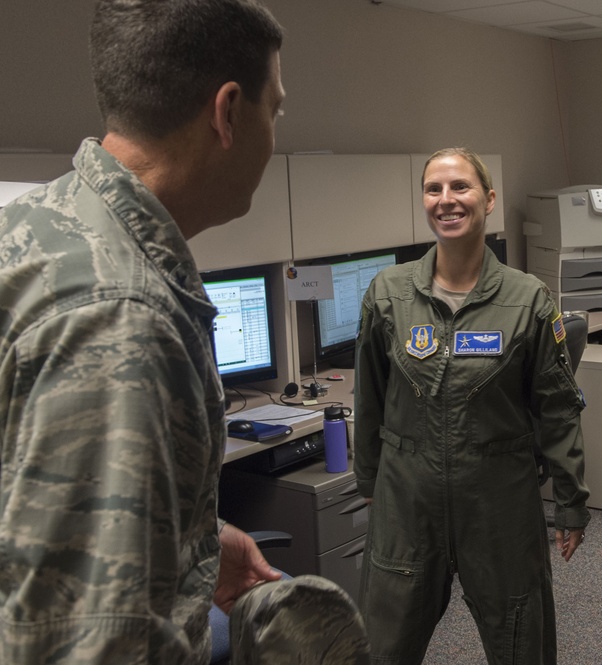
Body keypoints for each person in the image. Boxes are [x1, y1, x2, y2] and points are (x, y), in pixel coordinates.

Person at [1, 2, 367, 663]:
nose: (274, 133)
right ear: (228, 112)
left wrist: (192, 537)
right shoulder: (126, 320)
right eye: (275, 110)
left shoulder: (35, 226)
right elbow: (95, 641)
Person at [353, 147, 590, 664]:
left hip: (499, 503)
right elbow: (369, 397)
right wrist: (369, 481)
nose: (446, 199)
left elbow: (557, 408)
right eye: (433, 189)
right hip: (407, 501)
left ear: (489, 198)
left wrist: (570, 500)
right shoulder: (388, 294)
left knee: (522, 644)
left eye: (460, 186)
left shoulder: (528, 300)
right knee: (382, 646)